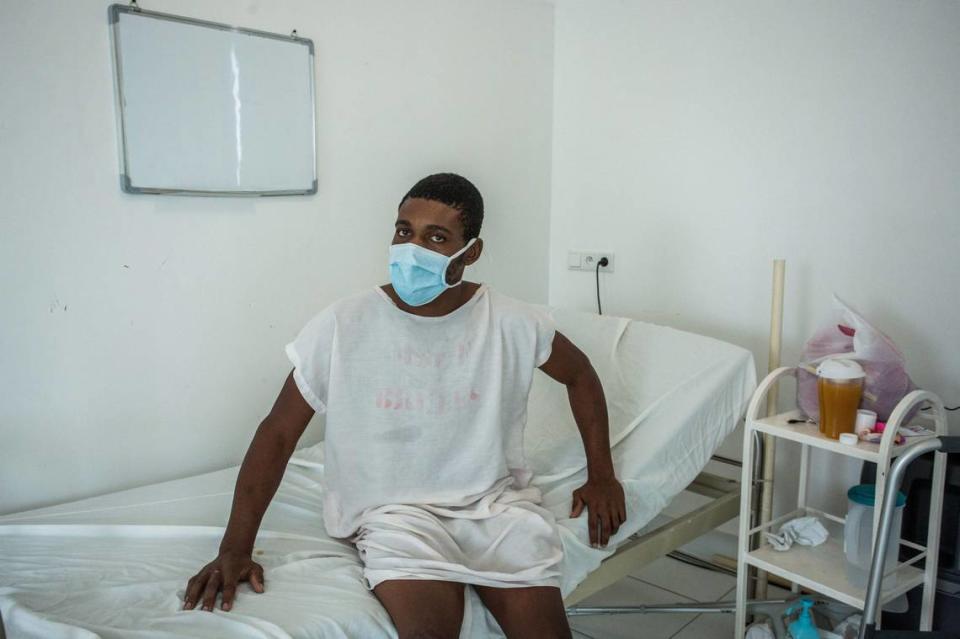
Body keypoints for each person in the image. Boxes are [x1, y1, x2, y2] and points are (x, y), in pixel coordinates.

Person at [182, 173, 626, 639]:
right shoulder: (345, 323)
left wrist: (601, 474)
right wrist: (235, 546)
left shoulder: (511, 322)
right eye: (403, 231)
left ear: (470, 252)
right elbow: (277, 432)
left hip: (493, 508)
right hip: (393, 513)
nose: (412, 248)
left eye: (436, 237)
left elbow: (580, 375)